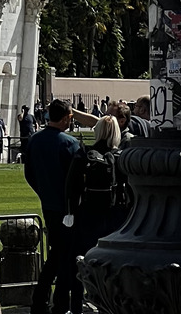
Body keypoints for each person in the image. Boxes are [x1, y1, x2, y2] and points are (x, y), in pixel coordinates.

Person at [24, 99, 81, 314]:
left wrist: (44, 192)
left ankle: (41, 301)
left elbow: (29, 174)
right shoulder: (69, 144)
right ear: (66, 118)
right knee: (65, 256)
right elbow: (76, 180)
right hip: (67, 208)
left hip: (48, 204)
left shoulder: (34, 140)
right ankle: (58, 302)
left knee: (56, 254)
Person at [64, 114, 127, 292]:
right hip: (114, 215)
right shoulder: (120, 156)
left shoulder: (84, 154)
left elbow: (71, 187)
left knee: (80, 260)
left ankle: (76, 302)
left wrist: (71, 212)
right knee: (113, 263)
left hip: (88, 213)